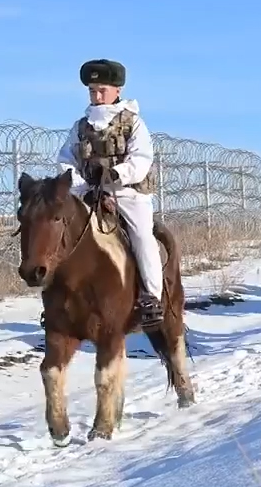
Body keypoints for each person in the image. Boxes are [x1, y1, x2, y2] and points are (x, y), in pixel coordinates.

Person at [54, 58, 164, 331]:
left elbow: (141, 159)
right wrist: (79, 183)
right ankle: (58, 299)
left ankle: (152, 297)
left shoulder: (133, 123)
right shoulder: (80, 126)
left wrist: (116, 175)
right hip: (88, 191)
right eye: (92, 90)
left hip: (128, 193)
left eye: (102, 90)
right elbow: (65, 159)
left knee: (141, 236)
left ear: (117, 90)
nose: (97, 96)